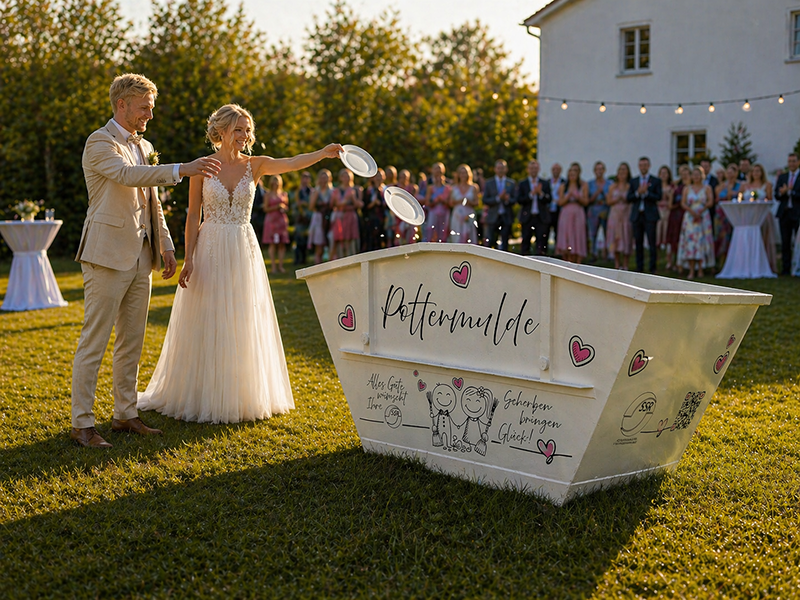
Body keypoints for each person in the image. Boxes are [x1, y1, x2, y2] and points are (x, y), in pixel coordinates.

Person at [137, 103, 342, 424]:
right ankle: (202, 391)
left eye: (248, 130)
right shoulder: (203, 167)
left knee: (243, 316)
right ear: (221, 132)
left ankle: (240, 392)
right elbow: (193, 215)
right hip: (210, 247)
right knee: (210, 316)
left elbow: (291, 163)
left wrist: (323, 153)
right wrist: (189, 258)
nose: (245, 136)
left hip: (243, 247)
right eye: (239, 129)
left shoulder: (255, 166)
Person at [71, 73, 221, 448]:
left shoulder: (145, 145)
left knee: (132, 341)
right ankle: (82, 423)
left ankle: (125, 414)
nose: (148, 116)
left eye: (150, 109)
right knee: (95, 340)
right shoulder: (99, 142)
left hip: (142, 257)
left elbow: (152, 201)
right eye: (143, 108)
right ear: (121, 105)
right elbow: (126, 175)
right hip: (105, 254)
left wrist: (167, 245)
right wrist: (181, 169)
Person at [677, 166, 715, 279]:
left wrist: (701, 212)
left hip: (703, 216)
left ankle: (701, 269)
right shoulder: (687, 189)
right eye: (694, 174)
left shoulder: (707, 188)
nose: (696, 177)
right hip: (690, 217)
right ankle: (691, 269)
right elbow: (683, 203)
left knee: (701, 241)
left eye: (698, 174)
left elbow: (710, 202)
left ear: (702, 176)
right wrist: (692, 212)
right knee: (690, 241)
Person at [628, 156, 662, 273]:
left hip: (650, 215)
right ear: (638, 166)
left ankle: (653, 267)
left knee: (652, 242)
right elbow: (629, 197)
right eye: (641, 165)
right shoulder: (634, 181)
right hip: (637, 215)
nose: (643, 167)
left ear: (649, 166)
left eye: (645, 165)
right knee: (638, 242)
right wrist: (638, 193)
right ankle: (639, 267)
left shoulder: (655, 181)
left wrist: (646, 193)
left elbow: (659, 196)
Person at [742, 163, 777, 272]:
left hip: (763, 215)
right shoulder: (745, 185)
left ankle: (764, 263)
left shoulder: (767, 185)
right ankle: (749, 262)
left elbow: (770, 200)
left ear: (762, 173)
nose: (756, 173)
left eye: (758, 171)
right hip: (749, 216)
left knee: (764, 238)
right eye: (754, 171)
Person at [516, 159, 551, 256]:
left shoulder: (544, 183)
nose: (533, 170)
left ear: (538, 169)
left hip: (541, 218)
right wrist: (531, 194)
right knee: (526, 241)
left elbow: (549, 199)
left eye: (535, 168)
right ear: (528, 169)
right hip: (527, 217)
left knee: (541, 242)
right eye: (531, 168)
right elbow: (519, 199)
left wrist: (540, 194)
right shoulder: (523, 183)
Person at [556, 162, 589, 263]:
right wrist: (568, 196)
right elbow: (560, 202)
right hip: (566, 214)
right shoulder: (563, 186)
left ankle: (578, 260)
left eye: (574, 174)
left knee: (577, 235)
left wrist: (577, 196)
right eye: (570, 174)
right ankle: (567, 259)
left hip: (578, 213)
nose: (572, 176)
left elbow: (586, 201)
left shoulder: (583, 185)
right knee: (566, 236)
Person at [482, 159, 516, 250]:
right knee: (491, 241)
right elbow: (485, 199)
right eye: (498, 168)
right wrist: (498, 198)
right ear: (495, 169)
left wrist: (508, 199)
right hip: (493, 216)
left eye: (502, 168)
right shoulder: (489, 183)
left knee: (505, 242)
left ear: (506, 169)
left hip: (506, 216)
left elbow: (515, 199)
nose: (500, 170)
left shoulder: (511, 183)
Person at [775, 152, 800, 275]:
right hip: (784, 213)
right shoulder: (783, 177)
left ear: (798, 162)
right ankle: (786, 268)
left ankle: (797, 268)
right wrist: (782, 192)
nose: (791, 163)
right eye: (789, 161)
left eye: (794, 161)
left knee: (798, 242)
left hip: (797, 213)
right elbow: (777, 195)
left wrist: (790, 192)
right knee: (785, 242)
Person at [331, 168, 363, 259]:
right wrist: (344, 201)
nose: (346, 178)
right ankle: (340, 258)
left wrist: (352, 198)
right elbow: (332, 204)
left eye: (348, 176)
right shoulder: (336, 190)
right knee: (340, 239)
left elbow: (359, 204)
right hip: (339, 217)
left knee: (350, 238)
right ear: (340, 178)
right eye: (344, 176)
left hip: (350, 216)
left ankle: (351, 258)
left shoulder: (356, 189)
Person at [714, 164, 741, 269]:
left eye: (732, 172)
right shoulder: (721, 186)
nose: (730, 175)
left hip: (734, 213)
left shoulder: (740, 185)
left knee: (730, 236)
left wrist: (731, 193)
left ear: (736, 173)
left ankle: (732, 262)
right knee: (720, 236)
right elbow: (717, 198)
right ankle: (719, 263)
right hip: (721, 214)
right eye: (728, 173)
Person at [606, 162, 633, 270]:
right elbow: (608, 201)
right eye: (620, 170)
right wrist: (617, 199)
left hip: (626, 214)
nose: (622, 172)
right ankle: (617, 263)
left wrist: (625, 199)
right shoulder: (613, 187)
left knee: (626, 236)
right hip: (615, 214)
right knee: (615, 237)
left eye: (624, 170)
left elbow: (632, 198)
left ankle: (625, 264)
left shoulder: (630, 186)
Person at [262, 174, 290, 273]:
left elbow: (287, 207)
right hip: (271, 221)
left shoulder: (284, 194)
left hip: (281, 220)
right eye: (274, 181)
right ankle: (273, 266)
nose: (275, 183)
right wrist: (277, 207)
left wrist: (283, 207)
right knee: (272, 243)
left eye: (277, 181)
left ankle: (281, 266)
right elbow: (265, 208)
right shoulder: (267, 195)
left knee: (282, 244)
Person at [666, 165, 691, 273]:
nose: (684, 175)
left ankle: (686, 262)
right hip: (675, 215)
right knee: (674, 238)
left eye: (686, 173)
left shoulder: (691, 187)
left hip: (687, 214)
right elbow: (670, 204)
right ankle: (674, 262)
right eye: (682, 173)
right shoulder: (677, 187)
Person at [307, 169, 334, 264]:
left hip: (330, 218)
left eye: (325, 177)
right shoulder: (315, 191)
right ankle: (318, 265)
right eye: (322, 177)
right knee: (319, 245)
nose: (323, 180)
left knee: (331, 243)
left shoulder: (332, 191)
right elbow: (311, 207)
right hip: (318, 218)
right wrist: (316, 195)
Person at [448, 164, 480, 243]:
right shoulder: (453, 188)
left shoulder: (474, 187)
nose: (463, 175)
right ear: (458, 175)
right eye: (461, 173)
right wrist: (459, 201)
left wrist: (470, 202)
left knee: (470, 235)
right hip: (457, 215)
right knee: (457, 236)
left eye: (465, 173)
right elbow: (450, 203)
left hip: (469, 214)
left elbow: (477, 203)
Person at [587, 161, 610, 260]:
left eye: (601, 169)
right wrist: (597, 192)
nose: (599, 171)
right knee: (593, 233)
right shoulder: (590, 184)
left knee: (607, 233)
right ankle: (594, 253)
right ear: (594, 171)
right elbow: (588, 200)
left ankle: (607, 253)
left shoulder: (609, 183)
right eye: (597, 169)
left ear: (604, 170)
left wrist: (603, 193)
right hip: (593, 210)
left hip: (605, 210)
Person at [423, 162, 451, 243]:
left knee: (443, 234)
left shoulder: (448, 187)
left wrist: (442, 200)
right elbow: (427, 202)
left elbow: (450, 203)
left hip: (444, 214)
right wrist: (435, 200)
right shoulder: (430, 186)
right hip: (433, 214)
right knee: (431, 234)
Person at [362, 168, 386, 252]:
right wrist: (373, 203)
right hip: (370, 219)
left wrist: (380, 203)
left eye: (380, 175)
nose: (378, 178)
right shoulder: (367, 191)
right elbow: (364, 206)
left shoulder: (386, 190)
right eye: (377, 175)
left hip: (383, 219)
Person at [292, 171, 312, 266]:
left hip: (308, 217)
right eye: (304, 177)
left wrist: (306, 204)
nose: (305, 179)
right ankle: (297, 258)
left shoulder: (311, 191)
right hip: (299, 218)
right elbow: (293, 204)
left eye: (307, 177)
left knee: (306, 239)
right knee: (298, 239)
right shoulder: (297, 191)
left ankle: (304, 258)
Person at [395, 169, 420, 245]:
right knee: (399, 235)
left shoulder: (412, 188)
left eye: (405, 177)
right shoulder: (396, 188)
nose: (403, 178)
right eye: (402, 177)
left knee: (411, 235)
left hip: (410, 215)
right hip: (399, 215)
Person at [547, 163, 565, 255]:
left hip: (559, 211)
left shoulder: (564, 182)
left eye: (557, 169)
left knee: (558, 232)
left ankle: (558, 251)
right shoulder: (547, 182)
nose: (556, 171)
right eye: (554, 169)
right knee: (546, 231)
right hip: (548, 210)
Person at [656, 166, 673, 260]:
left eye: (665, 173)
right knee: (657, 232)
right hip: (658, 211)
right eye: (661, 173)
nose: (663, 175)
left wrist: (669, 196)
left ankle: (668, 259)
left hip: (667, 211)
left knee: (667, 231)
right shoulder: (656, 186)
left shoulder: (671, 187)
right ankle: (657, 257)